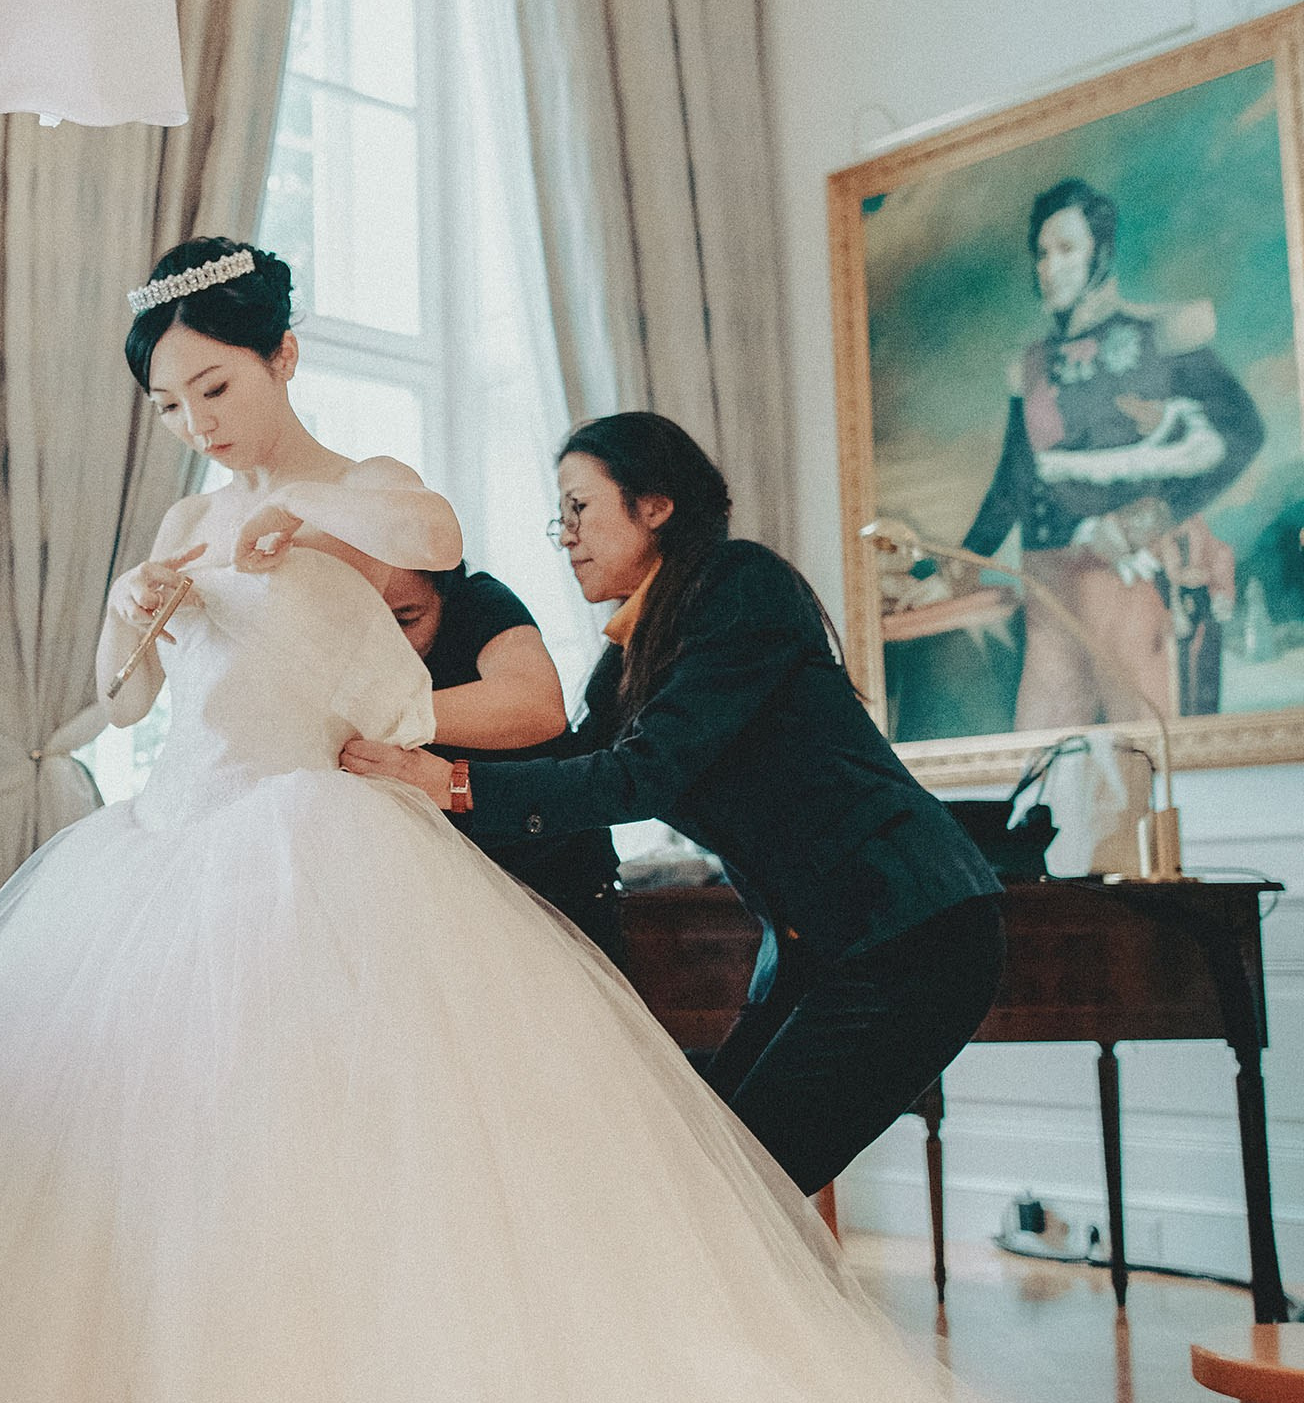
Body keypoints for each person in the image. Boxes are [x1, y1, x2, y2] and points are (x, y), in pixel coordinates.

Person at [0, 239, 1304, 1403]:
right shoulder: (191, 524)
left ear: (280, 358)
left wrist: (339, 598)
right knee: (232, 1232)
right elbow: (125, 712)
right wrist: (134, 616)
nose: (201, 422)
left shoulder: (440, 517)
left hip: (413, 875)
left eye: (220, 386)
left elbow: (496, 676)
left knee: (669, 1178)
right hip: (178, 862)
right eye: (175, 403)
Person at [345, 413, 1003, 1199]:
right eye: (562, 517)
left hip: (911, 930)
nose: (566, 535)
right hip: (814, 944)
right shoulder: (628, 656)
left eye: (580, 508)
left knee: (741, 1196)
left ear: (654, 505)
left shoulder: (739, 586)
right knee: (715, 1178)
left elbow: (637, 776)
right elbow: (575, 769)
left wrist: (447, 782)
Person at [962, 175, 1263, 727]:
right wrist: (955, 570)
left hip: (1125, 577)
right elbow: (1013, 482)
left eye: (1066, 249)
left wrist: (1143, 519)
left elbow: (1242, 433)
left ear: (1101, 252)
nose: (1047, 267)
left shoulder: (1159, 335)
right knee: (1043, 769)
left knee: (1144, 762)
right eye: (1041, 253)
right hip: (1047, 594)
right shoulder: (1030, 367)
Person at [378, 561, 617, 938]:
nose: (388, 644)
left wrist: (379, 715)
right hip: (429, 897)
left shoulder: (482, 603)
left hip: (549, 882)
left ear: (445, 591)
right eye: (368, 624)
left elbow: (537, 706)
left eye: (407, 620)